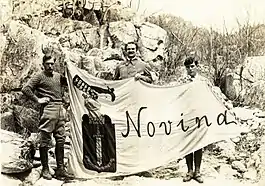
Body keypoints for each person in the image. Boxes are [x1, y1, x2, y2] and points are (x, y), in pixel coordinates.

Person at [22, 55, 73, 180]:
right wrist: (38, 100)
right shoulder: (39, 76)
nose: (50, 66)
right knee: (45, 140)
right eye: (47, 64)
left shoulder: (57, 76)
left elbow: (69, 82)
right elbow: (26, 89)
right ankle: (45, 168)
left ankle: (60, 169)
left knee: (61, 140)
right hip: (48, 109)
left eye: (52, 64)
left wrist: (70, 68)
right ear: (43, 64)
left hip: (60, 109)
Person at [179, 57, 205, 183]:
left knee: (199, 143)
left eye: (192, 66)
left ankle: (198, 171)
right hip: (186, 115)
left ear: (197, 66)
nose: (190, 69)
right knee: (188, 143)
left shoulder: (203, 81)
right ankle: (189, 171)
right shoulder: (182, 80)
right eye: (188, 67)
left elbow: (210, 97)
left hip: (200, 115)